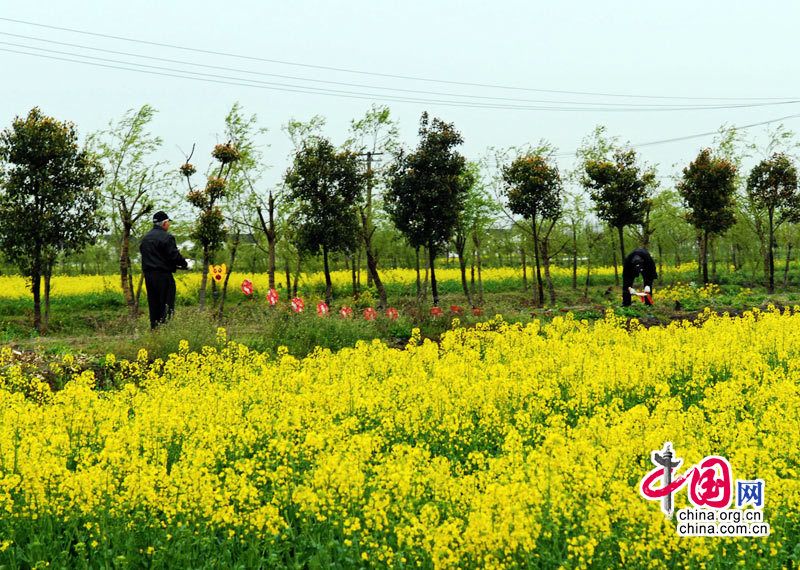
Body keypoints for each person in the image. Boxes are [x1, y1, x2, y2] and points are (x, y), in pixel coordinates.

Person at [140, 211, 188, 329]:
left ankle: (154, 329)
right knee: (166, 304)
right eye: (168, 222)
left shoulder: (145, 239)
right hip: (163, 276)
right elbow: (174, 255)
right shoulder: (167, 237)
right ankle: (165, 329)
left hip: (149, 277)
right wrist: (185, 264)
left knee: (154, 304)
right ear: (164, 223)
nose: (168, 225)